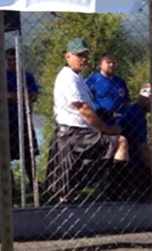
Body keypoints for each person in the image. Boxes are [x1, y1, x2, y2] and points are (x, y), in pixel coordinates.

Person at [45, 38, 128, 204]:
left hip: (81, 132)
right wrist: (106, 129)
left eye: (85, 55)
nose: (83, 58)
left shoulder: (78, 77)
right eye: (79, 55)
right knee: (120, 142)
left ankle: (111, 189)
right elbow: (84, 109)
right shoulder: (67, 78)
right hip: (73, 134)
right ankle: (114, 190)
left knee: (70, 187)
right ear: (67, 56)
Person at [5, 47, 40, 188]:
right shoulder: (1, 76)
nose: (12, 63)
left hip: (24, 120)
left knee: (29, 155)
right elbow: (1, 95)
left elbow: (34, 96)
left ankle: (34, 183)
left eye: (15, 60)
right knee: (6, 155)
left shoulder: (27, 76)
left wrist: (13, 96)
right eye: (9, 60)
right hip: (7, 121)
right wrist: (22, 95)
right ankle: (10, 185)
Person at [114, 84, 152, 201]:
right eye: (150, 100)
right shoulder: (136, 115)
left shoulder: (134, 111)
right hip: (131, 161)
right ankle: (127, 190)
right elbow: (143, 148)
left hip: (131, 157)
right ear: (143, 99)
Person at [86, 53, 130, 125]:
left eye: (113, 63)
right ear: (100, 64)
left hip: (121, 122)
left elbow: (127, 101)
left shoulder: (120, 81)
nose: (111, 65)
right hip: (101, 121)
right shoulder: (92, 81)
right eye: (108, 62)